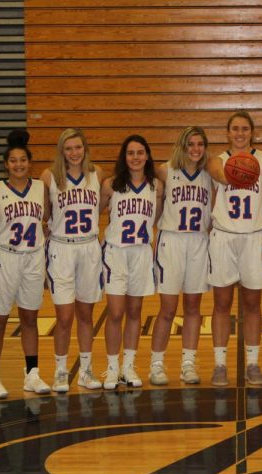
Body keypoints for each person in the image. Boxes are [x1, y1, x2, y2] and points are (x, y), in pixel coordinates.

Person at [206, 111, 262, 386]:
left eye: (245, 129)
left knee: (253, 304)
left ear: (252, 132)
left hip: (253, 238)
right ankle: (220, 364)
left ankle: (252, 363)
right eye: (235, 129)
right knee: (221, 304)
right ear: (227, 133)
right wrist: (233, 173)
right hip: (223, 237)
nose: (240, 133)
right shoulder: (218, 161)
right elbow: (216, 174)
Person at [0, 130, 51, 399]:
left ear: (29, 162)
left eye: (23, 160)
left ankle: (31, 374)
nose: (19, 165)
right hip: (4, 258)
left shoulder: (40, 188)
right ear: (6, 164)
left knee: (30, 318)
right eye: (13, 161)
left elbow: (45, 220)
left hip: (33, 257)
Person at [41, 128, 104, 392]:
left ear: (85, 149)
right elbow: (44, 214)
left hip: (89, 247)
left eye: (78, 147)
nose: (74, 153)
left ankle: (87, 370)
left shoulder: (97, 174)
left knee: (86, 315)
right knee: (64, 317)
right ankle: (60, 371)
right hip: (62, 249)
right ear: (61, 151)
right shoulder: (49, 176)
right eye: (69, 148)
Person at [149, 126, 212, 386]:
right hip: (171, 240)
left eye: (200, 145)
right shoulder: (165, 171)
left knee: (194, 308)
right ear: (181, 146)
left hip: (198, 241)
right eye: (190, 144)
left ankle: (188, 363)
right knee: (167, 308)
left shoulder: (210, 176)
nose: (195, 149)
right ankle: (156, 364)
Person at [100, 134, 163, 390]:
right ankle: (112, 368)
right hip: (116, 253)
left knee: (135, 312)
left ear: (147, 156)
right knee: (115, 312)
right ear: (124, 157)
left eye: (140, 153)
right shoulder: (111, 185)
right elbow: (98, 211)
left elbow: (156, 218)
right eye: (130, 153)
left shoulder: (156, 186)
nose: (135, 157)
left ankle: (129, 365)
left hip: (141, 253)